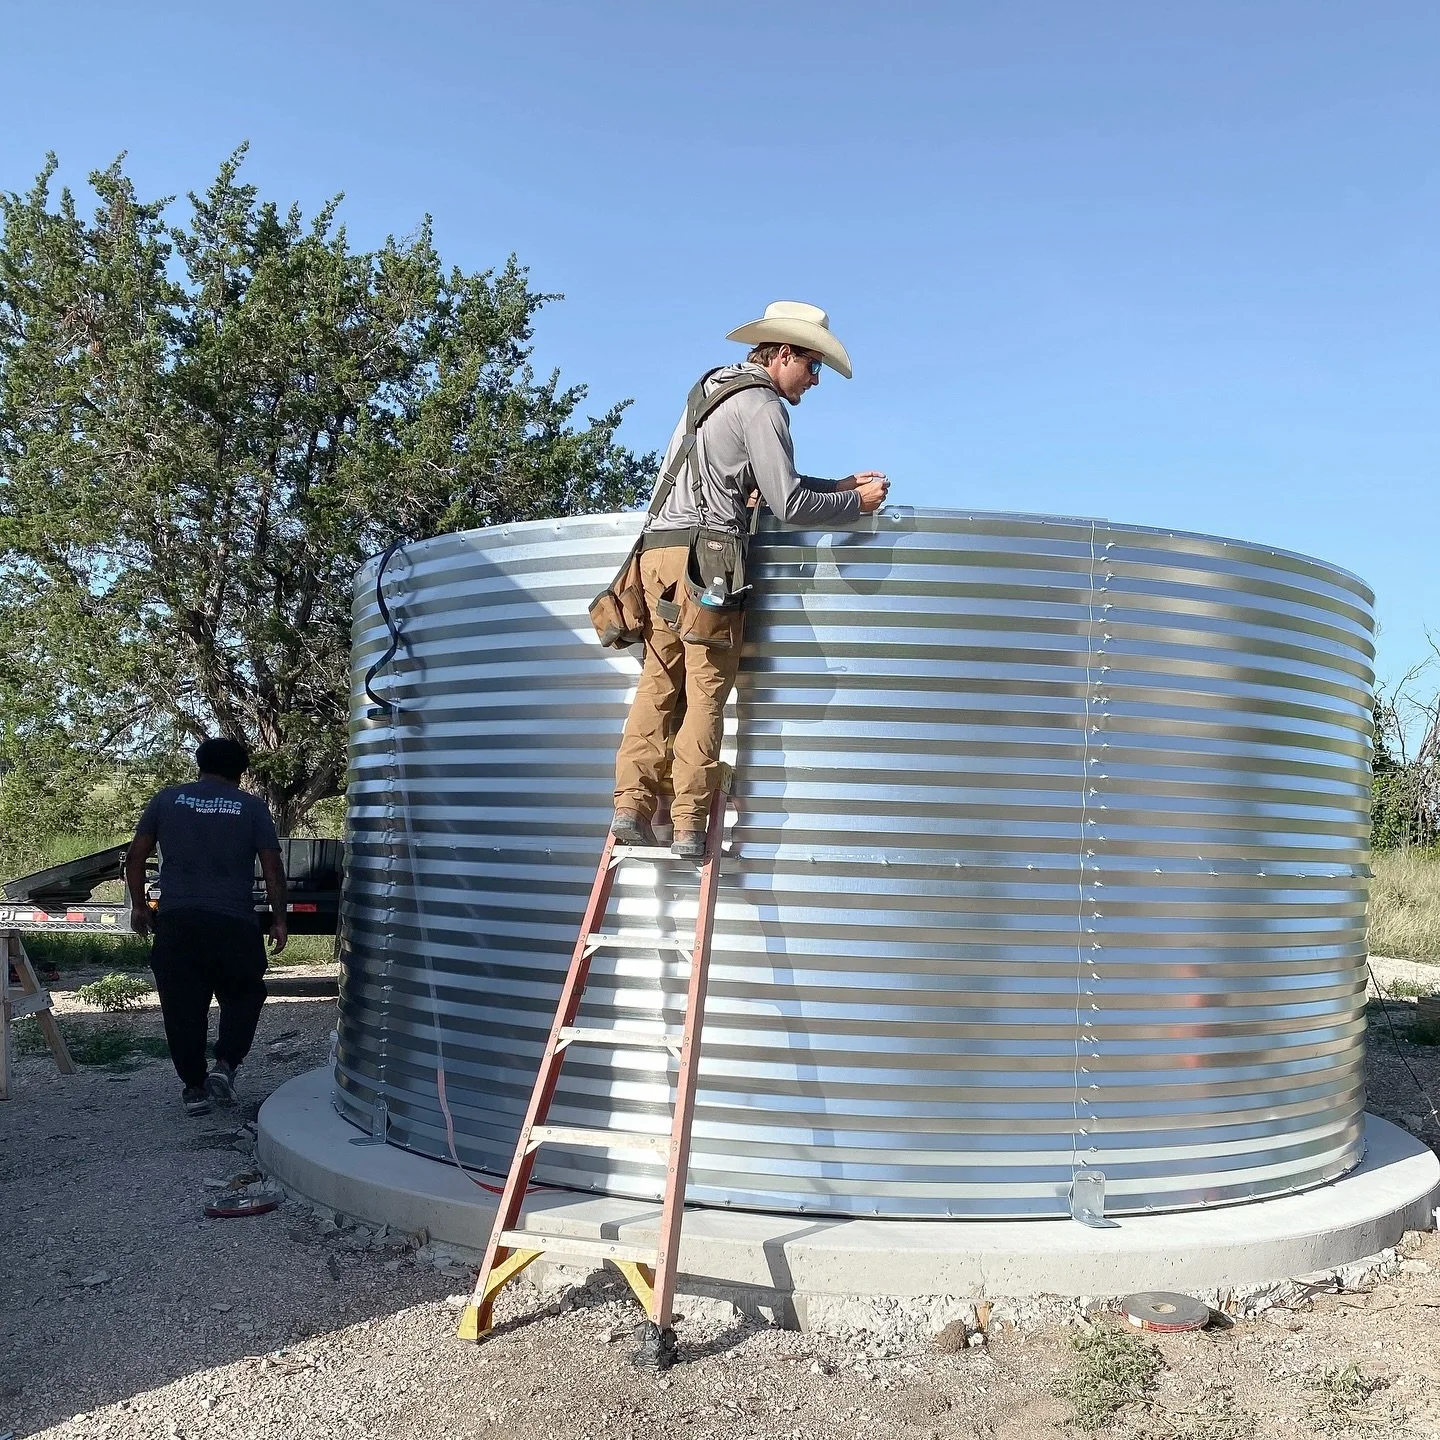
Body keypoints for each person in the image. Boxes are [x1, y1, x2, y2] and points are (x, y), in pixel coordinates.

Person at [612, 300, 890, 857]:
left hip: (658, 555)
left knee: (658, 686)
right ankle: (690, 824)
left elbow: (755, 476)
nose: (814, 381)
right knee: (707, 693)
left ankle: (631, 808)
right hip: (708, 563)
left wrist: (833, 483)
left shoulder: (711, 391)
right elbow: (786, 502)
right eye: (813, 367)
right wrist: (854, 505)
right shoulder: (764, 405)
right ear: (784, 353)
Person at [125, 737, 288, 1116]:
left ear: (199, 764)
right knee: (245, 995)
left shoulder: (167, 800)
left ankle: (194, 1088)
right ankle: (226, 1066)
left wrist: (138, 906)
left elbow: (135, 857)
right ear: (241, 771)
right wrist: (279, 918)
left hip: (179, 921)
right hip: (233, 922)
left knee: (182, 1006)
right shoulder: (251, 808)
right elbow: (272, 867)